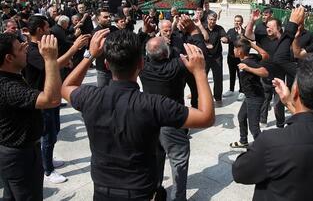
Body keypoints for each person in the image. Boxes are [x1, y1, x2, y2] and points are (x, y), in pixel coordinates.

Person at [61, 29, 215, 200]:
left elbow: (66, 87)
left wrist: (89, 55)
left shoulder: (90, 96)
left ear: (106, 64)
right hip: (139, 191)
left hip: (102, 190)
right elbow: (206, 117)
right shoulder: (153, 104)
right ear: (141, 64)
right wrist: (200, 72)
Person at [232, 54, 313, 201]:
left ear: (295, 91)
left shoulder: (272, 141)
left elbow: (240, 173)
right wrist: (289, 103)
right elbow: (310, 124)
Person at [25, 15, 89, 184]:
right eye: (47, 28)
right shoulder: (31, 51)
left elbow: (54, 64)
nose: (50, 31)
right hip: (42, 98)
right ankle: (48, 170)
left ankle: (48, 159)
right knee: (48, 134)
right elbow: (53, 65)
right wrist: (74, 48)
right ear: (39, 30)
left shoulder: (41, 47)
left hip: (52, 96)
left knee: (54, 132)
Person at [0, 32, 61, 200]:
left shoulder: (12, 76)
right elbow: (52, 99)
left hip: (16, 154)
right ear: (9, 58)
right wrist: (50, 59)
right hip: (19, 157)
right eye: (20, 49)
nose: (26, 49)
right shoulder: (7, 87)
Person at [140, 36, 190, 201]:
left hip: (150, 121)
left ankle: (155, 190)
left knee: (155, 157)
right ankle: (178, 198)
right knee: (179, 160)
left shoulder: (143, 67)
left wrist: (143, 34)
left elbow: (138, 51)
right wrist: (193, 32)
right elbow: (196, 54)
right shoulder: (177, 66)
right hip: (172, 120)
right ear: (167, 52)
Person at [229, 38, 268, 148]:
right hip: (250, 96)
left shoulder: (248, 62)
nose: (233, 50)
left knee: (254, 127)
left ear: (240, 51)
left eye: (234, 48)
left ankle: (263, 149)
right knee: (241, 117)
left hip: (255, 98)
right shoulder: (252, 57)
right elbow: (265, 54)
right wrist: (251, 44)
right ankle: (243, 141)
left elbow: (265, 72)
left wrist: (248, 68)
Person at [92, 8, 119, 87]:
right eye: (105, 17)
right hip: (103, 70)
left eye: (109, 16)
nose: (109, 19)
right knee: (103, 94)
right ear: (98, 19)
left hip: (117, 68)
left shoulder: (114, 29)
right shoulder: (96, 33)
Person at [204, 12, 228, 102]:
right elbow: (197, 39)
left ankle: (218, 97)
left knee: (218, 78)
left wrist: (225, 39)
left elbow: (225, 37)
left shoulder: (219, 28)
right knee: (202, 77)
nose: (212, 21)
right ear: (207, 19)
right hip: (205, 57)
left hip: (216, 57)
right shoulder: (203, 28)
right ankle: (201, 95)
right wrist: (205, 44)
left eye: (214, 20)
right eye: (210, 19)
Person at [223, 15, 245, 100]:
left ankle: (242, 91)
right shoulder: (230, 31)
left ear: (242, 22)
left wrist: (240, 34)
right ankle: (231, 90)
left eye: (239, 21)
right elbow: (227, 39)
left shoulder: (244, 31)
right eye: (236, 21)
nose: (237, 22)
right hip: (231, 56)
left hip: (241, 57)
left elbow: (243, 43)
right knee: (232, 74)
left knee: (241, 75)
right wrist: (225, 40)